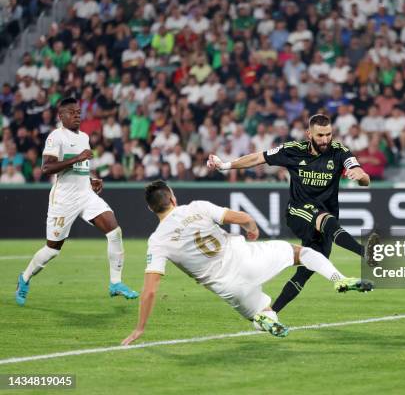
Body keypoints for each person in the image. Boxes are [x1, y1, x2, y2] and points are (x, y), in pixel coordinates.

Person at [121, 181, 373, 343]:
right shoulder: (197, 207)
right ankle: (339, 279)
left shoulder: (157, 241)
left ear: (152, 209)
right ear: (172, 198)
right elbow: (242, 217)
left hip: (228, 287)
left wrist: (140, 328)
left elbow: (150, 290)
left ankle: (266, 320)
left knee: (259, 316)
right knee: (303, 253)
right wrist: (251, 229)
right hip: (247, 258)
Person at [208, 114, 377, 313]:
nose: (325, 139)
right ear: (309, 134)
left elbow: (360, 174)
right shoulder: (292, 150)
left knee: (305, 271)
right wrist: (225, 165)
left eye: (328, 134)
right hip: (298, 212)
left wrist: (362, 176)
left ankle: (269, 315)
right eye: (320, 135)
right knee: (327, 220)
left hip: (324, 221)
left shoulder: (339, 151)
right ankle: (364, 253)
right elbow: (257, 158)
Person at [14, 98, 139, 306]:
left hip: (86, 195)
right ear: (60, 116)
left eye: (78, 112)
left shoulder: (84, 137)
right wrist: (77, 158)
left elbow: (79, 169)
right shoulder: (56, 137)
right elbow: (46, 168)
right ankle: (25, 277)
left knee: (114, 231)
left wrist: (91, 180)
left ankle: (115, 283)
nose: (77, 116)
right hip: (64, 199)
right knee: (52, 249)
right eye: (71, 113)